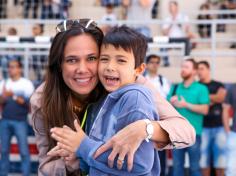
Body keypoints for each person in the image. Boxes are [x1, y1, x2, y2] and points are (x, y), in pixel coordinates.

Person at [30, 19, 195, 175]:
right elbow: (46, 167)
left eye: (92, 58)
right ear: (59, 65)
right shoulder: (42, 99)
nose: (82, 69)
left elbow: (186, 132)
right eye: (72, 60)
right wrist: (74, 158)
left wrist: (144, 128)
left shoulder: (131, 86)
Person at [50, 25, 160, 175]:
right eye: (104, 59)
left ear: (138, 69)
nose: (110, 67)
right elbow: (100, 160)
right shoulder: (101, 100)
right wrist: (78, 158)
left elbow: (139, 164)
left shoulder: (135, 99)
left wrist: (83, 146)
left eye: (121, 60)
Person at [168, 58, 210, 176]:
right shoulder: (175, 87)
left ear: (195, 71)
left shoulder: (201, 88)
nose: (183, 69)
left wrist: (186, 105)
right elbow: (165, 108)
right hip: (176, 134)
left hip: (194, 134)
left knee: (195, 169)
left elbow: (205, 110)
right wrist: (170, 102)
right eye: (182, 67)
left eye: (186, 67)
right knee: (177, 169)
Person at [0, 59, 35, 176]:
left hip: (20, 122)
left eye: (14, 66)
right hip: (5, 121)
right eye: (10, 67)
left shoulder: (26, 84)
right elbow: (1, 102)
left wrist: (13, 96)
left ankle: (26, 174)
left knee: (24, 152)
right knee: (4, 151)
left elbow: (29, 103)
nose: (11, 69)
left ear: (19, 68)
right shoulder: (4, 83)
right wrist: (3, 97)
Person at [198, 61, 227, 176]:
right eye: (198, 69)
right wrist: (210, 98)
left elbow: (221, 97)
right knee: (204, 163)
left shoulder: (218, 84)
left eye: (202, 68)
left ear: (208, 69)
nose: (200, 71)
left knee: (220, 162)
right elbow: (197, 101)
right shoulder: (197, 86)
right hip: (203, 127)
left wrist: (204, 98)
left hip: (219, 127)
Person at [144, 54, 171, 176]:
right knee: (144, 153)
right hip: (144, 120)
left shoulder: (163, 81)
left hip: (160, 122)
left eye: (157, 62)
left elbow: (166, 101)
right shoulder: (141, 79)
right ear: (147, 64)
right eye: (152, 62)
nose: (154, 65)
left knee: (160, 154)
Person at [222, 84, 236, 176]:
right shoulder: (233, 88)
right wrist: (227, 130)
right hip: (234, 133)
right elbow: (225, 109)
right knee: (231, 168)